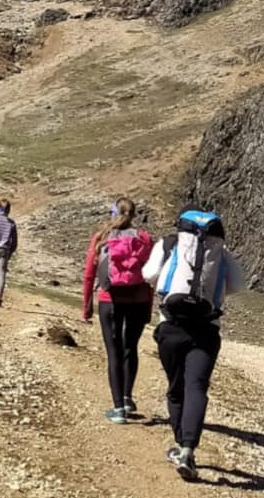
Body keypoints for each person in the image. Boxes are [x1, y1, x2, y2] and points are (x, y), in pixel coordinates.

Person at [143, 209, 243, 482]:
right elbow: (237, 285)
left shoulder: (168, 243)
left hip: (171, 326)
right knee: (197, 387)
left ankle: (181, 445)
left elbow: (149, 274)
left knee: (176, 389)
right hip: (207, 329)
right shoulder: (220, 251)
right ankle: (188, 448)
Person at [82, 198, 153, 424]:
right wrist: (149, 307)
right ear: (135, 214)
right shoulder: (144, 239)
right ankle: (127, 396)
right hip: (138, 300)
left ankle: (118, 409)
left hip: (109, 299)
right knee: (130, 347)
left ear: (113, 213)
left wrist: (86, 308)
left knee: (113, 351)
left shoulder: (101, 237)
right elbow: (151, 276)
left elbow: (89, 275)